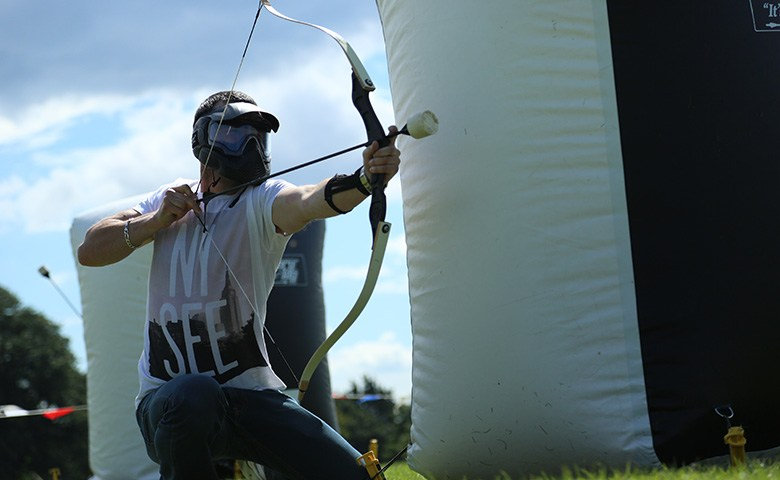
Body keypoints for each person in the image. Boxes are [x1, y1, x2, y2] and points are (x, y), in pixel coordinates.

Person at [77, 90, 401, 480]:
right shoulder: (169, 200)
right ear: (203, 138)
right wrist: (156, 220)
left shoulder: (262, 200)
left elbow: (308, 200)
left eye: (257, 137)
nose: (250, 146)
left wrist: (365, 180)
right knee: (193, 393)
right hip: (166, 406)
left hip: (250, 401)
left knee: (358, 475)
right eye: (235, 134)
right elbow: (90, 249)